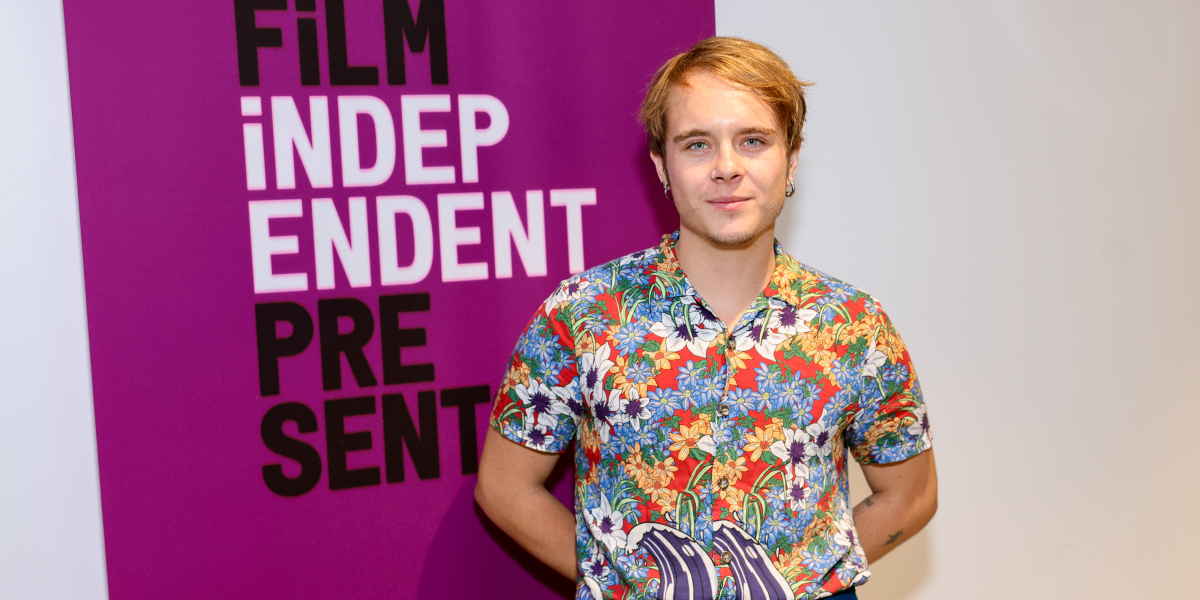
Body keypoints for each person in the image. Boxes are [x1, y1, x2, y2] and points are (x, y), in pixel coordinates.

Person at [475, 36, 936, 600]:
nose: (726, 168)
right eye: (696, 144)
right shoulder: (582, 313)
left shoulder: (852, 324)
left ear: (791, 158)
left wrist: (801, 580)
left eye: (753, 141)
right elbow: (504, 489)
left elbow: (910, 494)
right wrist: (628, 584)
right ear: (661, 165)